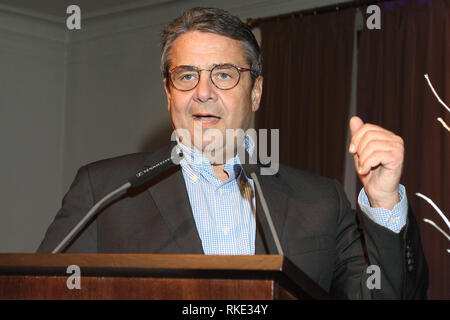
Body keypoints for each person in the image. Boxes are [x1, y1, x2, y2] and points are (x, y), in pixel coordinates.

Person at [37, 7, 428, 299]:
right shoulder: (106, 192)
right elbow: (43, 291)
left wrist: (383, 202)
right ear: (168, 93)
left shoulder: (320, 201)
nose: (203, 91)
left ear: (256, 92)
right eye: (187, 75)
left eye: (223, 74)